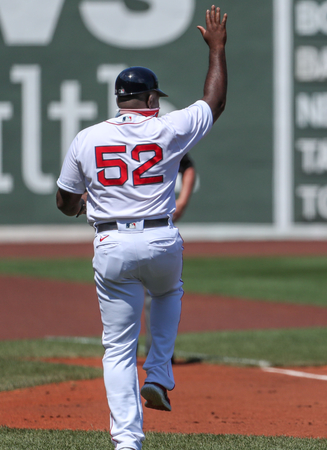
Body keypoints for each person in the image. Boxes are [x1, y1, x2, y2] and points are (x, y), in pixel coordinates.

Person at [54, 5, 227, 450]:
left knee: (117, 349)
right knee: (168, 292)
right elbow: (214, 103)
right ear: (151, 100)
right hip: (160, 237)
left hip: (111, 241)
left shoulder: (87, 138)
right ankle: (160, 373)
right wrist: (217, 49)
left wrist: (81, 205)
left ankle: (128, 441)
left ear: (119, 100)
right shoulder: (167, 128)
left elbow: (65, 201)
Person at [143, 153, 196, 361]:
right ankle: (159, 359)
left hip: (143, 228)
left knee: (154, 292)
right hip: (146, 229)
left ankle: (152, 355)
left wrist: (181, 202)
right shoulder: (161, 137)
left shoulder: (108, 139)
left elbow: (188, 166)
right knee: (158, 293)